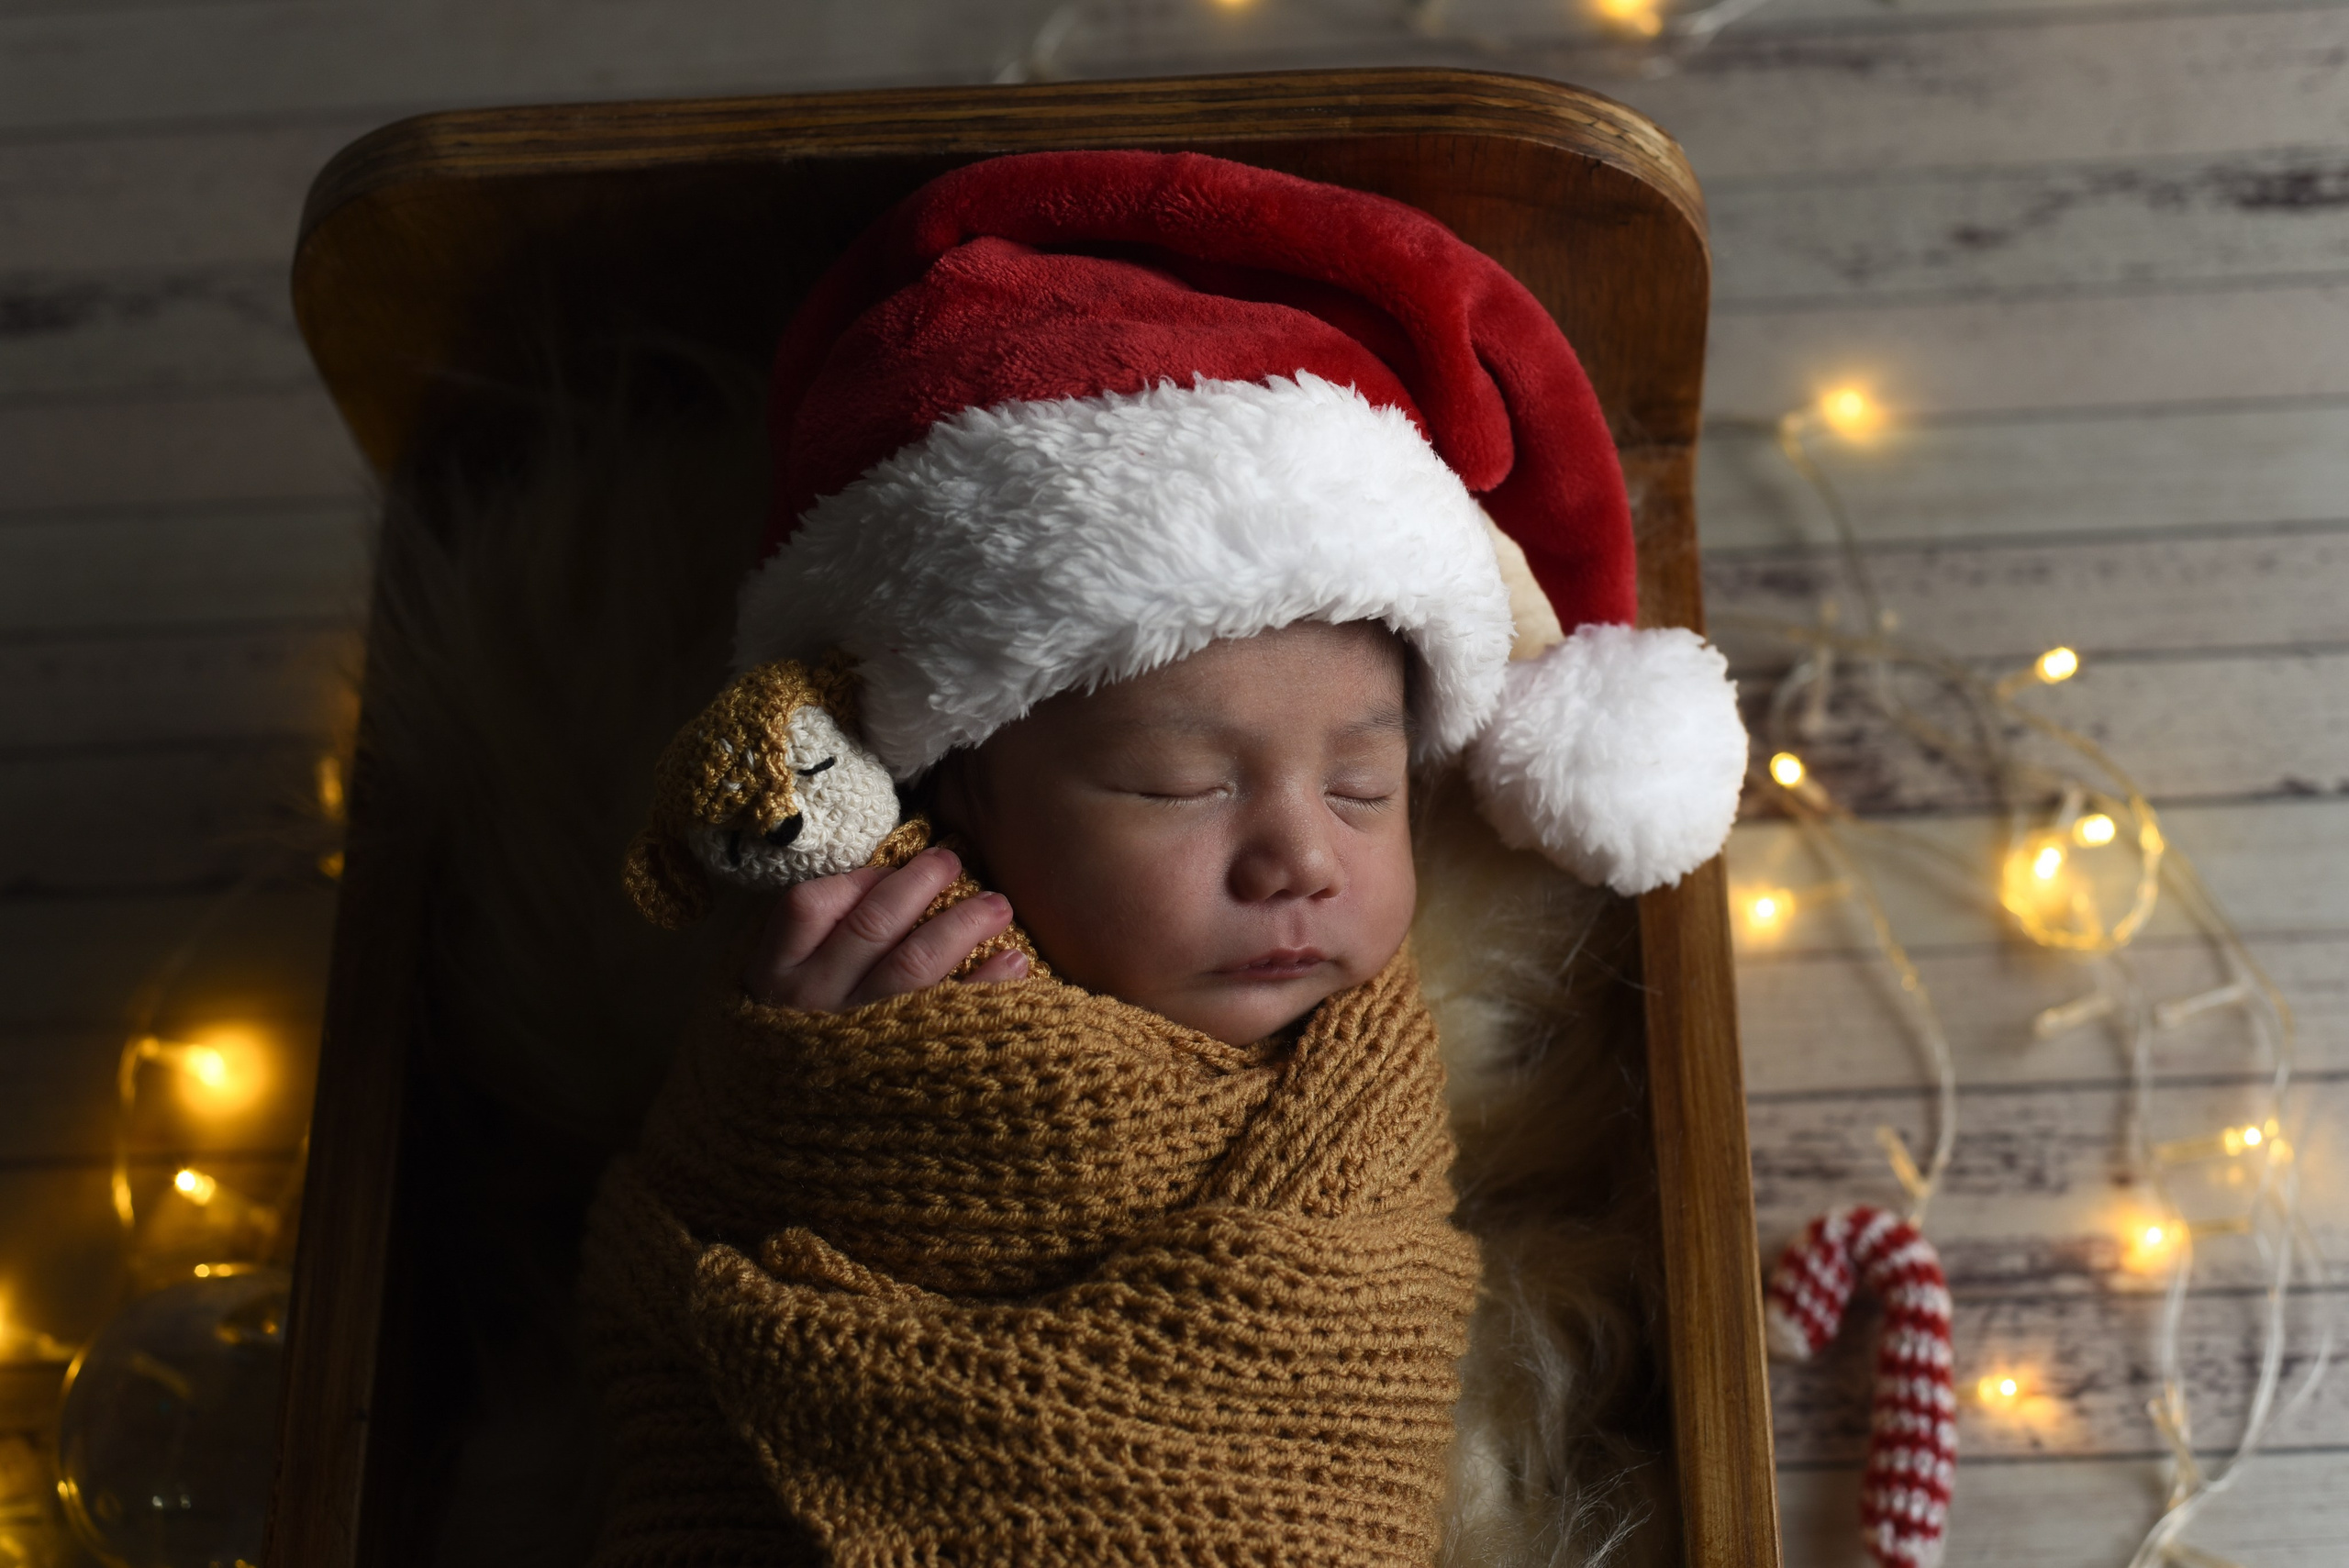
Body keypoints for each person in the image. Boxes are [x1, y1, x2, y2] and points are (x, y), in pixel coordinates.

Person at [583, 148, 1746, 1568]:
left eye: (1365, 784)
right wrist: (804, 1095)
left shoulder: (1367, 1098)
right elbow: (678, 1269)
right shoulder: (856, 991)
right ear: (966, 793)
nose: (1300, 856)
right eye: (1179, 783)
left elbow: (1342, 1423)